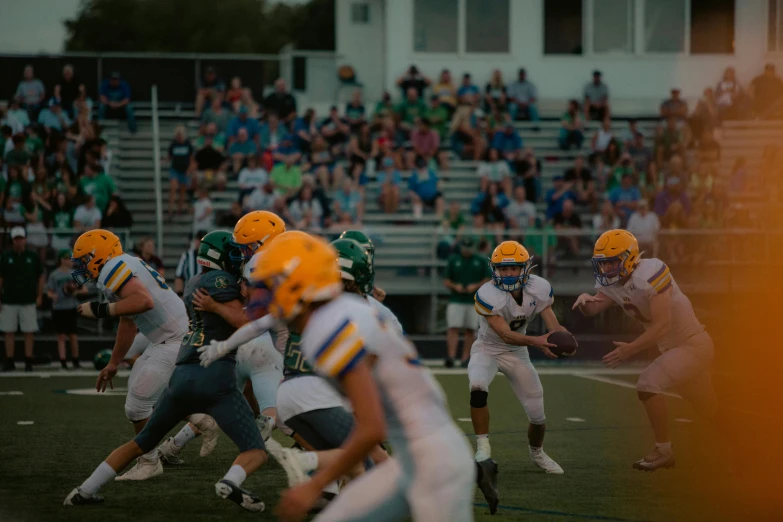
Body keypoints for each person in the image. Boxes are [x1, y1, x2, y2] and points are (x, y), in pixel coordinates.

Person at [213, 231, 478, 521]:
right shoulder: (337, 316)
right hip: (417, 458)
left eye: (270, 285)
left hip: (434, 464)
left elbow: (372, 429)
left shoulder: (329, 327)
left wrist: (313, 484)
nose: (259, 293)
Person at [65, 231, 272, 511]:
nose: (239, 259)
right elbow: (242, 321)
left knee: (140, 437)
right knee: (255, 448)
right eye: (234, 255)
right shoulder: (223, 283)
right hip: (213, 373)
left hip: (182, 368)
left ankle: (84, 490)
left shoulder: (194, 281)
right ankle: (226, 477)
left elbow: (133, 312)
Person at [573, 229, 728, 471]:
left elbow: (663, 324)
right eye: (603, 264)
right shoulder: (613, 283)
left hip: (692, 344)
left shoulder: (651, 272)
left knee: (647, 383)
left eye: (612, 262)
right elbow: (593, 309)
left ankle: (663, 451)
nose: (607, 269)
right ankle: (746, 445)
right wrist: (584, 301)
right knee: (708, 408)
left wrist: (630, 350)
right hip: (674, 349)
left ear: (630, 257)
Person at [69, 229, 188, 480]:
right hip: (164, 337)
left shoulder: (113, 267)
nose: (81, 266)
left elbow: (144, 301)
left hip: (173, 339)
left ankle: (150, 461)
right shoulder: (120, 265)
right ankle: (200, 421)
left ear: (97, 255)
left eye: (83, 260)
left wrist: (100, 310)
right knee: (138, 390)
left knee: (137, 406)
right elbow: (128, 321)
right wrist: (113, 363)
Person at [470, 240, 567, 474]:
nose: (509, 273)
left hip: (517, 353)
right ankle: (483, 448)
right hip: (488, 348)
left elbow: (554, 327)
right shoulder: (487, 294)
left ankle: (538, 453)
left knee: (537, 414)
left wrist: (563, 342)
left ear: (524, 268)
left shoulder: (539, 288)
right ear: (495, 270)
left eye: (513, 268)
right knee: (477, 386)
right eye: (503, 269)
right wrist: (539, 342)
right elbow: (505, 334)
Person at [0, 227, 44, 372]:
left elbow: (40, 277)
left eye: (21, 238)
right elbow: (0, 278)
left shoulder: (33, 256)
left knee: (29, 331)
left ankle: (28, 360)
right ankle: (10, 360)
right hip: (9, 299)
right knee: (8, 331)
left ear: (25, 239)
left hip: (28, 299)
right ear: (12, 240)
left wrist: (39, 295)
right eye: (16, 239)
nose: (19, 241)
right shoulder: (5, 257)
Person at [443, 238, 490, 368]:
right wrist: (455, 286)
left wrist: (475, 286)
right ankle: (451, 356)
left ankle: (465, 358)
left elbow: (487, 278)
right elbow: (446, 280)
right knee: (453, 327)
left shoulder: (480, 260)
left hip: (474, 300)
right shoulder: (454, 260)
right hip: (456, 299)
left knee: (471, 329)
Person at [47, 250, 88, 369]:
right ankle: (63, 361)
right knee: (61, 336)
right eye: (67, 259)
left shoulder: (75, 273)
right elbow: (49, 292)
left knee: (73, 335)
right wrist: (54, 296)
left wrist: (75, 291)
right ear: (62, 260)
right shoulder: (54, 275)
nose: (70, 261)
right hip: (59, 307)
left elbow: (85, 289)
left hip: (71, 307)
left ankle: (75, 360)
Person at [167, 126, 194, 216]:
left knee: (183, 191)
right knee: (173, 187)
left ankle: (180, 208)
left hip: (184, 170)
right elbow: (170, 156)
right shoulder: (173, 144)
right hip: (175, 169)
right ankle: (171, 208)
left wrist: (189, 169)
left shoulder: (188, 144)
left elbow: (191, 158)